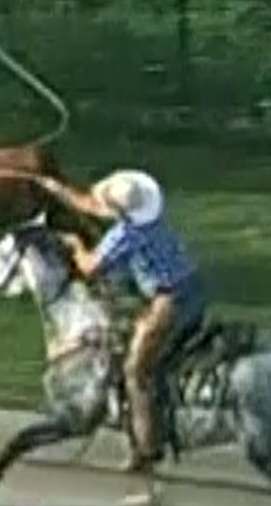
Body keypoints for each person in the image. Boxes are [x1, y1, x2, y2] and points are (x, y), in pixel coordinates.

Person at [34, 169, 208, 473]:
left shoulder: (125, 234)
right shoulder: (150, 220)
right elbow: (91, 205)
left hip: (170, 302)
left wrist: (75, 244)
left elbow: (90, 267)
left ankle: (147, 448)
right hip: (193, 288)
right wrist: (53, 187)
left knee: (136, 371)